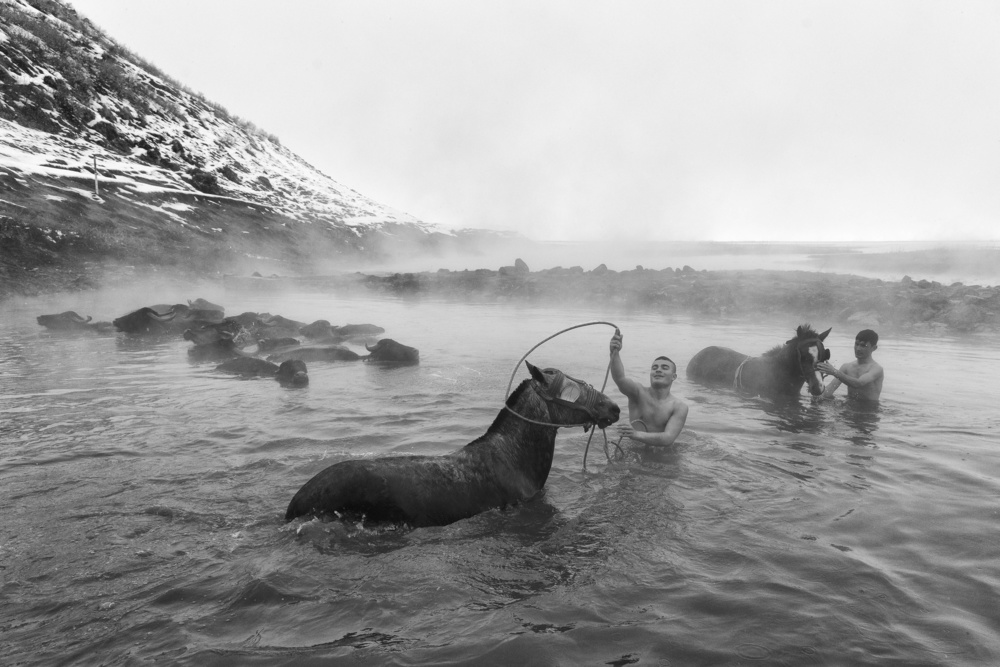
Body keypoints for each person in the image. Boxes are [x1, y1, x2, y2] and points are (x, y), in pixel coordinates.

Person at [609, 328, 688, 448]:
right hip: (634, 451)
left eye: (664, 368)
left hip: (663, 458)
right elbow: (620, 378)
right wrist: (614, 353)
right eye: (655, 367)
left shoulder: (679, 406)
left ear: (674, 376)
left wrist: (636, 434)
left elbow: (668, 438)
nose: (658, 370)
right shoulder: (638, 392)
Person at [816, 329, 884, 402]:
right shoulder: (847, 367)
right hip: (849, 407)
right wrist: (818, 397)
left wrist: (834, 372)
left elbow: (858, 383)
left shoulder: (876, 369)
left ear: (874, 348)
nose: (858, 349)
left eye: (863, 346)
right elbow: (830, 388)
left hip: (869, 410)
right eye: (856, 344)